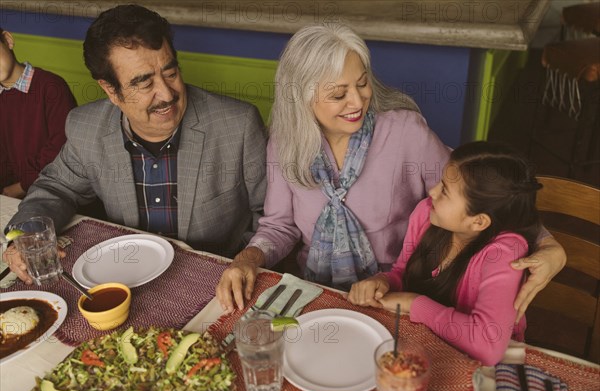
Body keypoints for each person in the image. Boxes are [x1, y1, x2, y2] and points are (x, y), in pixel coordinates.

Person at [216, 23, 566, 320]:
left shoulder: (404, 133)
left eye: (362, 82)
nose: (357, 101)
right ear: (302, 98)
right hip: (317, 293)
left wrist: (548, 245)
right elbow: (280, 226)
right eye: (339, 94)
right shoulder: (285, 141)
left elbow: (482, 194)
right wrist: (248, 258)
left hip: (396, 297)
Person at [3, 5, 266, 284]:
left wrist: (246, 259)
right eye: (143, 83)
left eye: (171, 73)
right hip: (127, 277)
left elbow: (271, 218)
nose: (166, 93)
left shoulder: (237, 125)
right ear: (110, 90)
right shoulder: (87, 128)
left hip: (216, 280)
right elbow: (55, 188)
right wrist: (26, 235)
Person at [348, 141, 542, 365]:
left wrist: (414, 304)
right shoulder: (426, 213)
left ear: (478, 221)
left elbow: (488, 347)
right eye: (440, 182)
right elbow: (402, 271)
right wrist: (382, 282)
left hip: (481, 364)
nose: (432, 191)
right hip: (423, 342)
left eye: (445, 191)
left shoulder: (506, 254)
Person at [0, 27, 76, 199]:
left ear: (7, 40)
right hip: (11, 198)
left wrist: (21, 186)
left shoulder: (51, 87)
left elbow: (62, 146)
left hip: (56, 192)